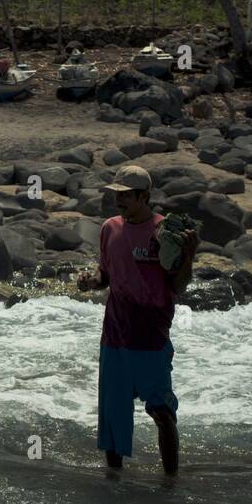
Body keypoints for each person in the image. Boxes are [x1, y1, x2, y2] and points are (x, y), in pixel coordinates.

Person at [77, 165, 198, 474]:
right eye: (116, 195)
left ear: (145, 196)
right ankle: (114, 486)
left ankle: (170, 483)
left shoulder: (164, 233)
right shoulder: (109, 228)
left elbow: (178, 286)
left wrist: (188, 256)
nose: (118, 201)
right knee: (114, 422)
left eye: (126, 195)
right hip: (115, 337)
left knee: (162, 412)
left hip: (152, 338)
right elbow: (106, 274)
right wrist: (92, 280)